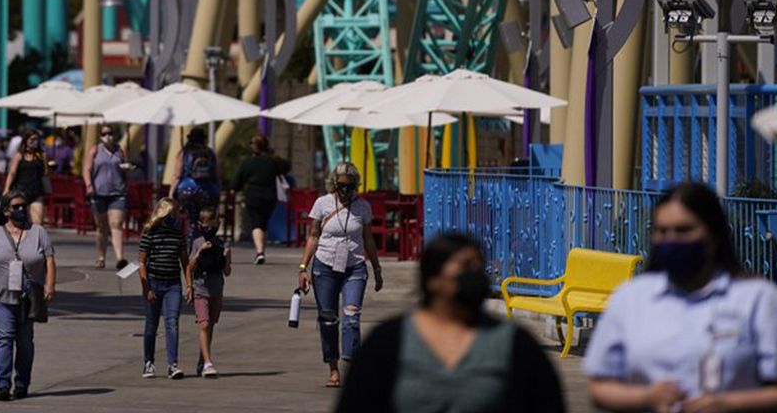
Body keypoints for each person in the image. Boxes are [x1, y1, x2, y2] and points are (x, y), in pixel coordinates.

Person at [584, 182, 777, 413]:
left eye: (684, 230)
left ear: (713, 235)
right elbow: (600, 386)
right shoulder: (631, 298)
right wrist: (646, 397)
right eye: (662, 231)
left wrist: (728, 405)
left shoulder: (759, 299)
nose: (671, 239)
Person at [335, 233, 565, 412]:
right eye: (465, 267)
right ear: (433, 279)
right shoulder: (387, 343)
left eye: (478, 267)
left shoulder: (517, 345)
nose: (475, 274)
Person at [296, 162, 383, 388]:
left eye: (351, 185)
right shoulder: (322, 204)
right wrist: (303, 268)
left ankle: (352, 365)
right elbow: (313, 236)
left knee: (351, 318)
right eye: (343, 184)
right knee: (328, 319)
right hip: (324, 267)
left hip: (354, 267)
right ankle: (333, 369)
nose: (347, 189)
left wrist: (377, 268)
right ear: (334, 182)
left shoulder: (362, 207)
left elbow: (369, 239)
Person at [0, 189, 57, 402]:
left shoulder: (38, 231)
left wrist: (49, 284)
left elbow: (49, 259)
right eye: (16, 206)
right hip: (0, 296)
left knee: (25, 342)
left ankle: (22, 383)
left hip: (28, 297)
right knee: (4, 339)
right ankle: (3, 384)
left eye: (24, 205)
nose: (21, 209)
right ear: (5, 211)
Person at [138, 198, 192, 380]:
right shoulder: (149, 233)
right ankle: (148, 362)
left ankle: (172, 364)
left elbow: (185, 263)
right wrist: (146, 287)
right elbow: (141, 262)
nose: (177, 217)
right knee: (151, 325)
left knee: (172, 323)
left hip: (173, 284)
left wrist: (189, 285)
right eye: (174, 213)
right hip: (153, 282)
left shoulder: (178, 235)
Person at [185, 206, 231, 378]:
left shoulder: (220, 244)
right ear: (200, 224)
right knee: (203, 324)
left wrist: (226, 258)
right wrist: (199, 253)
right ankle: (208, 363)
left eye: (213, 224)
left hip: (216, 288)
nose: (210, 228)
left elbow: (226, 272)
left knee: (210, 326)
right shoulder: (197, 242)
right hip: (200, 288)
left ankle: (202, 359)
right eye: (206, 224)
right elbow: (189, 267)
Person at [232, 133, 289, 264]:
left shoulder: (247, 162)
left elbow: (237, 182)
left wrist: (235, 190)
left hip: (253, 194)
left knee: (256, 222)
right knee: (263, 222)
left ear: (254, 147)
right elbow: (286, 167)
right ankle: (261, 249)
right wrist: (274, 156)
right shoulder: (273, 160)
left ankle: (260, 252)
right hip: (270, 195)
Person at [82, 124, 131, 270]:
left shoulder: (120, 150)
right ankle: (101, 257)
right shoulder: (95, 150)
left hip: (118, 193)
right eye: (104, 133)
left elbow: (126, 168)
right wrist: (89, 185)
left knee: (116, 224)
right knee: (101, 227)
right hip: (98, 193)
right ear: (100, 136)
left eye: (110, 133)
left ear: (115, 134)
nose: (107, 136)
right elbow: (86, 169)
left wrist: (127, 169)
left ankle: (120, 258)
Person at [171, 127, 220, 225]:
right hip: (208, 191)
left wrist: (171, 193)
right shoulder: (210, 153)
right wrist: (218, 191)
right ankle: (202, 238)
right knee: (205, 220)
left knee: (190, 220)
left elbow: (177, 175)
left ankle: (192, 236)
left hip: (187, 190)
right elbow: (217, 175)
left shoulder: (184, 153)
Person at [2, 130, 50, 225]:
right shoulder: (19, 156)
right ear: (26, 141)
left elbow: (45, 172)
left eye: (37, 139)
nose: (35, 142)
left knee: (37, 223)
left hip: (37, 191)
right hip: (21, 192)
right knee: (21, 221)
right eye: (32, 139)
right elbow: (12, 173)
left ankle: (35, 239)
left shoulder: (41, 155)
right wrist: (6, 188)